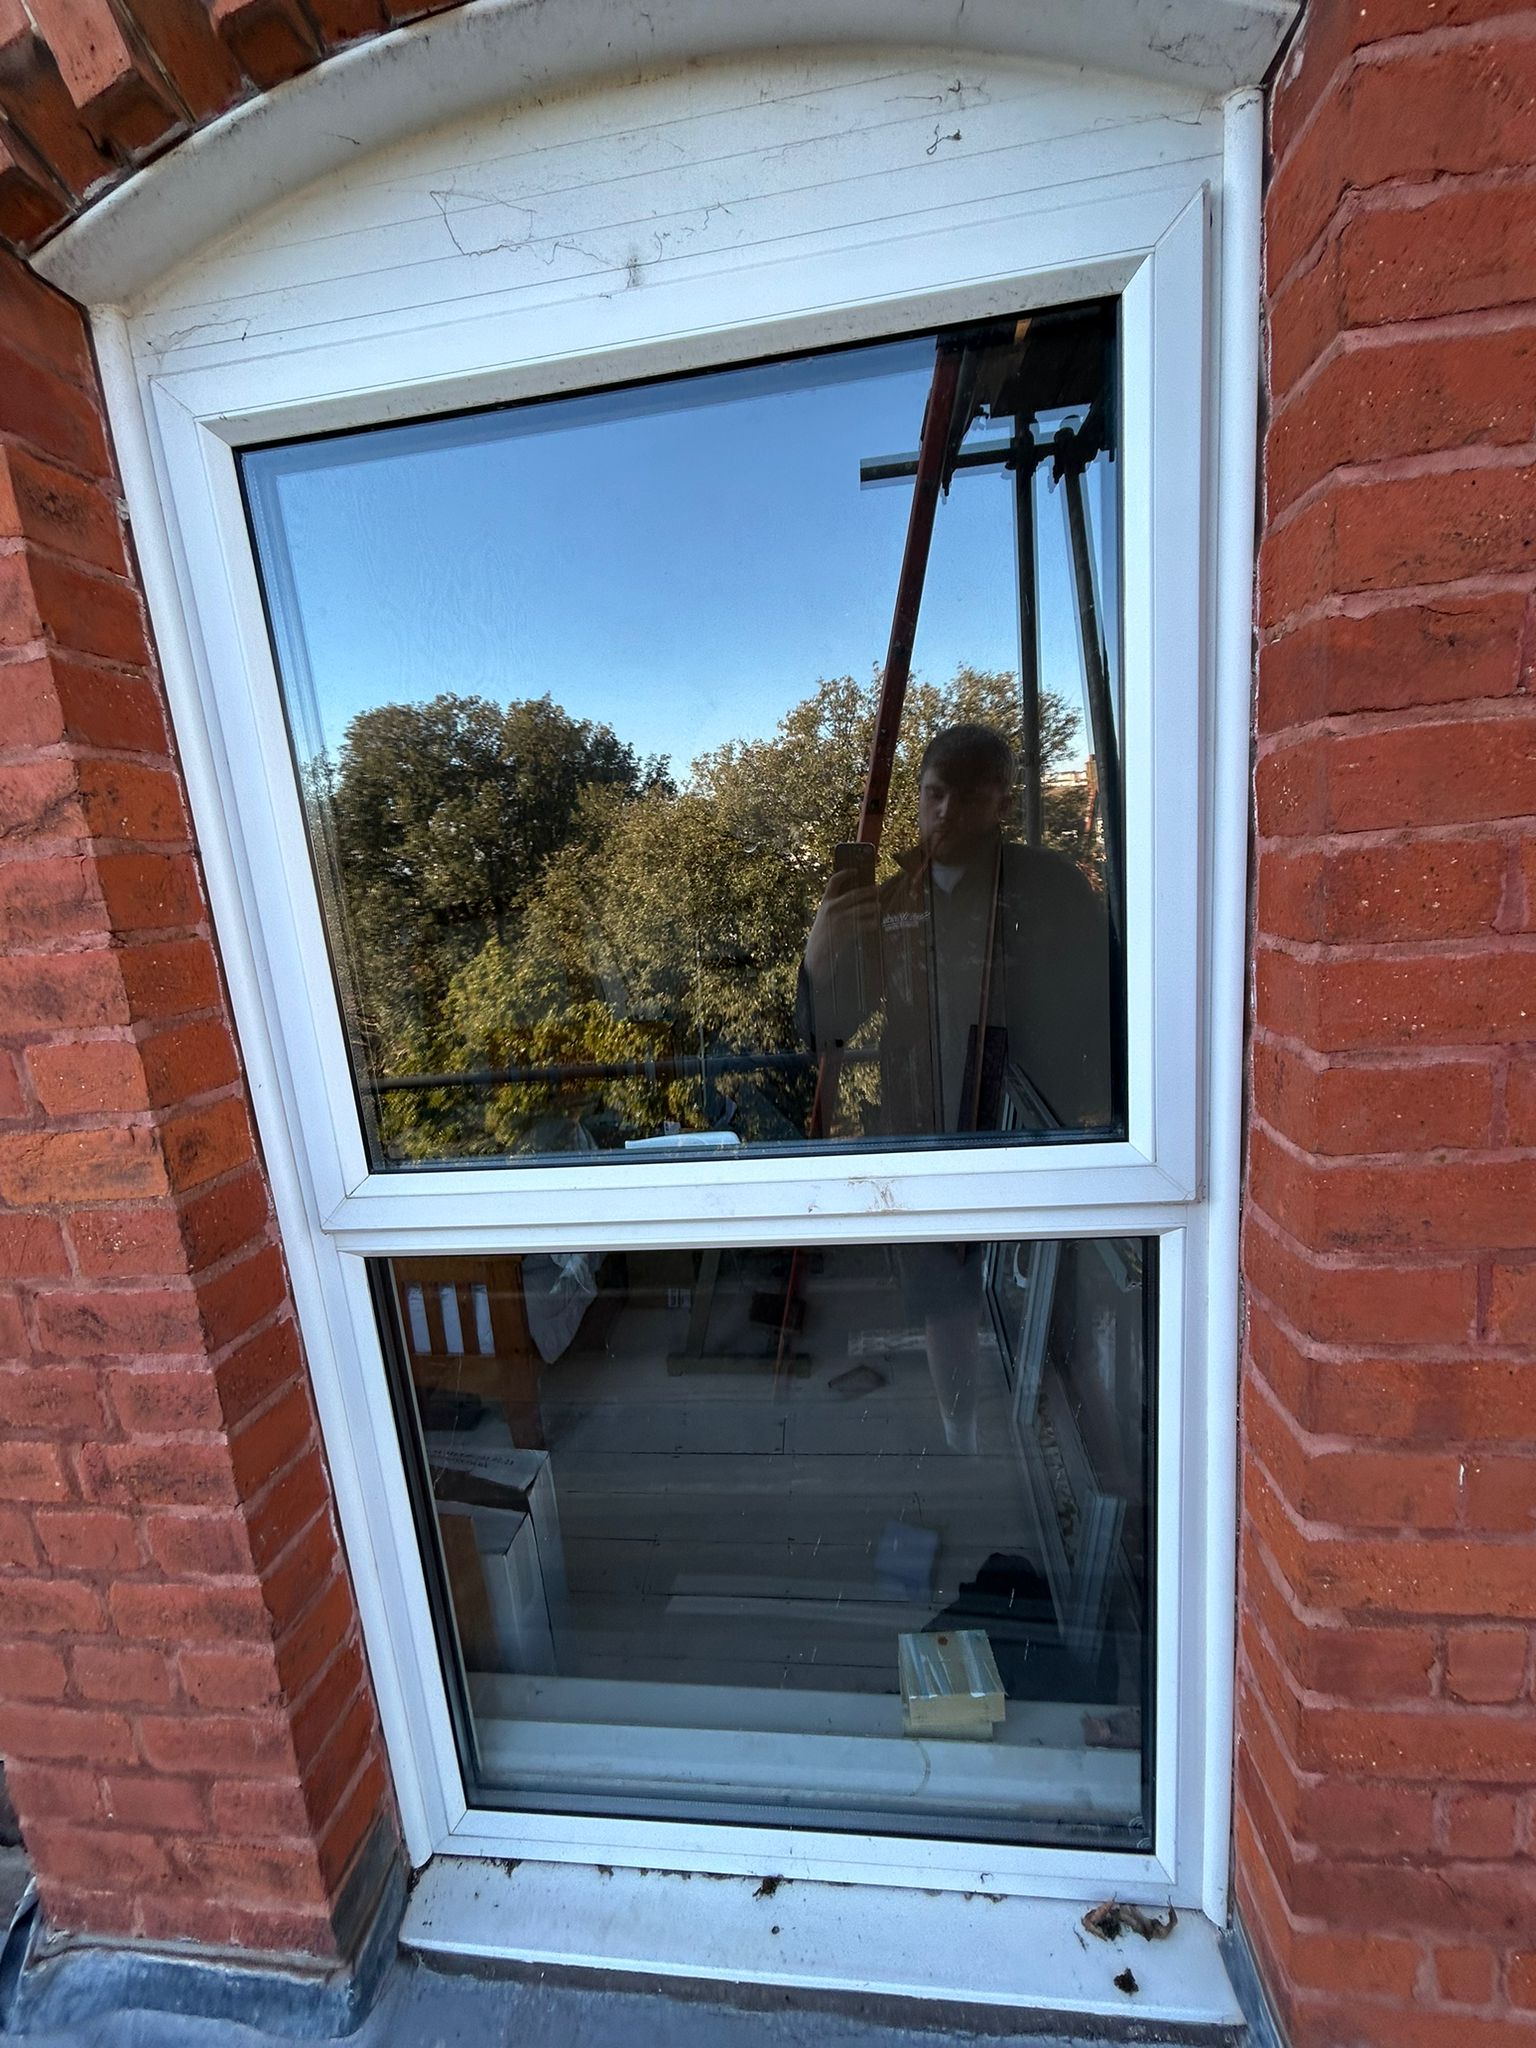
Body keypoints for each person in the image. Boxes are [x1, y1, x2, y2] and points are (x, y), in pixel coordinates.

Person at [797, 722, 1114, 1449]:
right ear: (918, 799)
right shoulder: (889, 902)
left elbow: (1102, 1017)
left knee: (1054, 1296)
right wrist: (821, 950)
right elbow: (828, 1033)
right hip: (924, 1128)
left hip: (1035, 1132)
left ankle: (1080, 1450)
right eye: (935, 795)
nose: (947, 813)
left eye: (967, 798)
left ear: (1000, 800)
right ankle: (960, 1438)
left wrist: (1088, 1119)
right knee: (944, 1298)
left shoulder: (1051, 888)